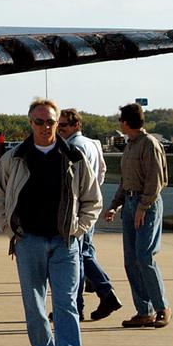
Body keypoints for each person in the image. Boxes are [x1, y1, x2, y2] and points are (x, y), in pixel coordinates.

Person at [0, 99, 101, 346]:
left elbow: (92, 199)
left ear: (58, 123)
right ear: (30, 123)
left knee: (66, 303)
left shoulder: (74, 157)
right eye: (38, 122)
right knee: (36, 308)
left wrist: (79, 229)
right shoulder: (14, 158)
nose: (45, 127)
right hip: (29, 243)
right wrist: (10, 229)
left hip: (65, 243)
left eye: (50, 122)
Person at [103, 103, 172, 328]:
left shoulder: (149, 144)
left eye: (120, 120)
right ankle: (144, 311)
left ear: (126, 122)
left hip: (147, 205)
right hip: (131, 203)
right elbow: (126, 181)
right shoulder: (130, 145)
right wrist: (115, 205)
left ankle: (162, 308)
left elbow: (156, 180)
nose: (119, 124)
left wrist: (143, 207)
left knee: (145, 257)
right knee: (131, 261)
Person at [57, 108, 122, 322]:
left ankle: (105, 294)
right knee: (83, 254)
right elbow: (101, 172)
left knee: (78, 256)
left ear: (76, 125)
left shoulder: (72, 147)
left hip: (76, 210)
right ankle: (79, 304)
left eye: (64, 125)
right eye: (58, 125)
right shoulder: (93, 144)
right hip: (89, 207)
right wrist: (93, 196)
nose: (59, 129)